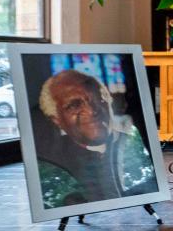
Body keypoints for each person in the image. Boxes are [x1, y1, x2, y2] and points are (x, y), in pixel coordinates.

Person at [36, 70, 157, 208]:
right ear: (56, 119)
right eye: (75, 105)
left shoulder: (137, 143)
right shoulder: (52, 164)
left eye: (99, 99)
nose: (92, 111)